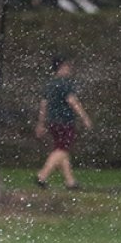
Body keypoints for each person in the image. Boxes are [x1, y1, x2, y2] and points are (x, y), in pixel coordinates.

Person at [35, 56, 92, 190]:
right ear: (60, 68)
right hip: (65, 121)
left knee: (62, 150)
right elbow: (73, 101)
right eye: (66, 66)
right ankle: (42, 175)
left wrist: (41, 123)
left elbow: (43, 105)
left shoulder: (49, 85)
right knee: (61, 149)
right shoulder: (65, 84)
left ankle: (70, 181)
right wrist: (84, 117)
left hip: (52, 122)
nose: (69, 69)